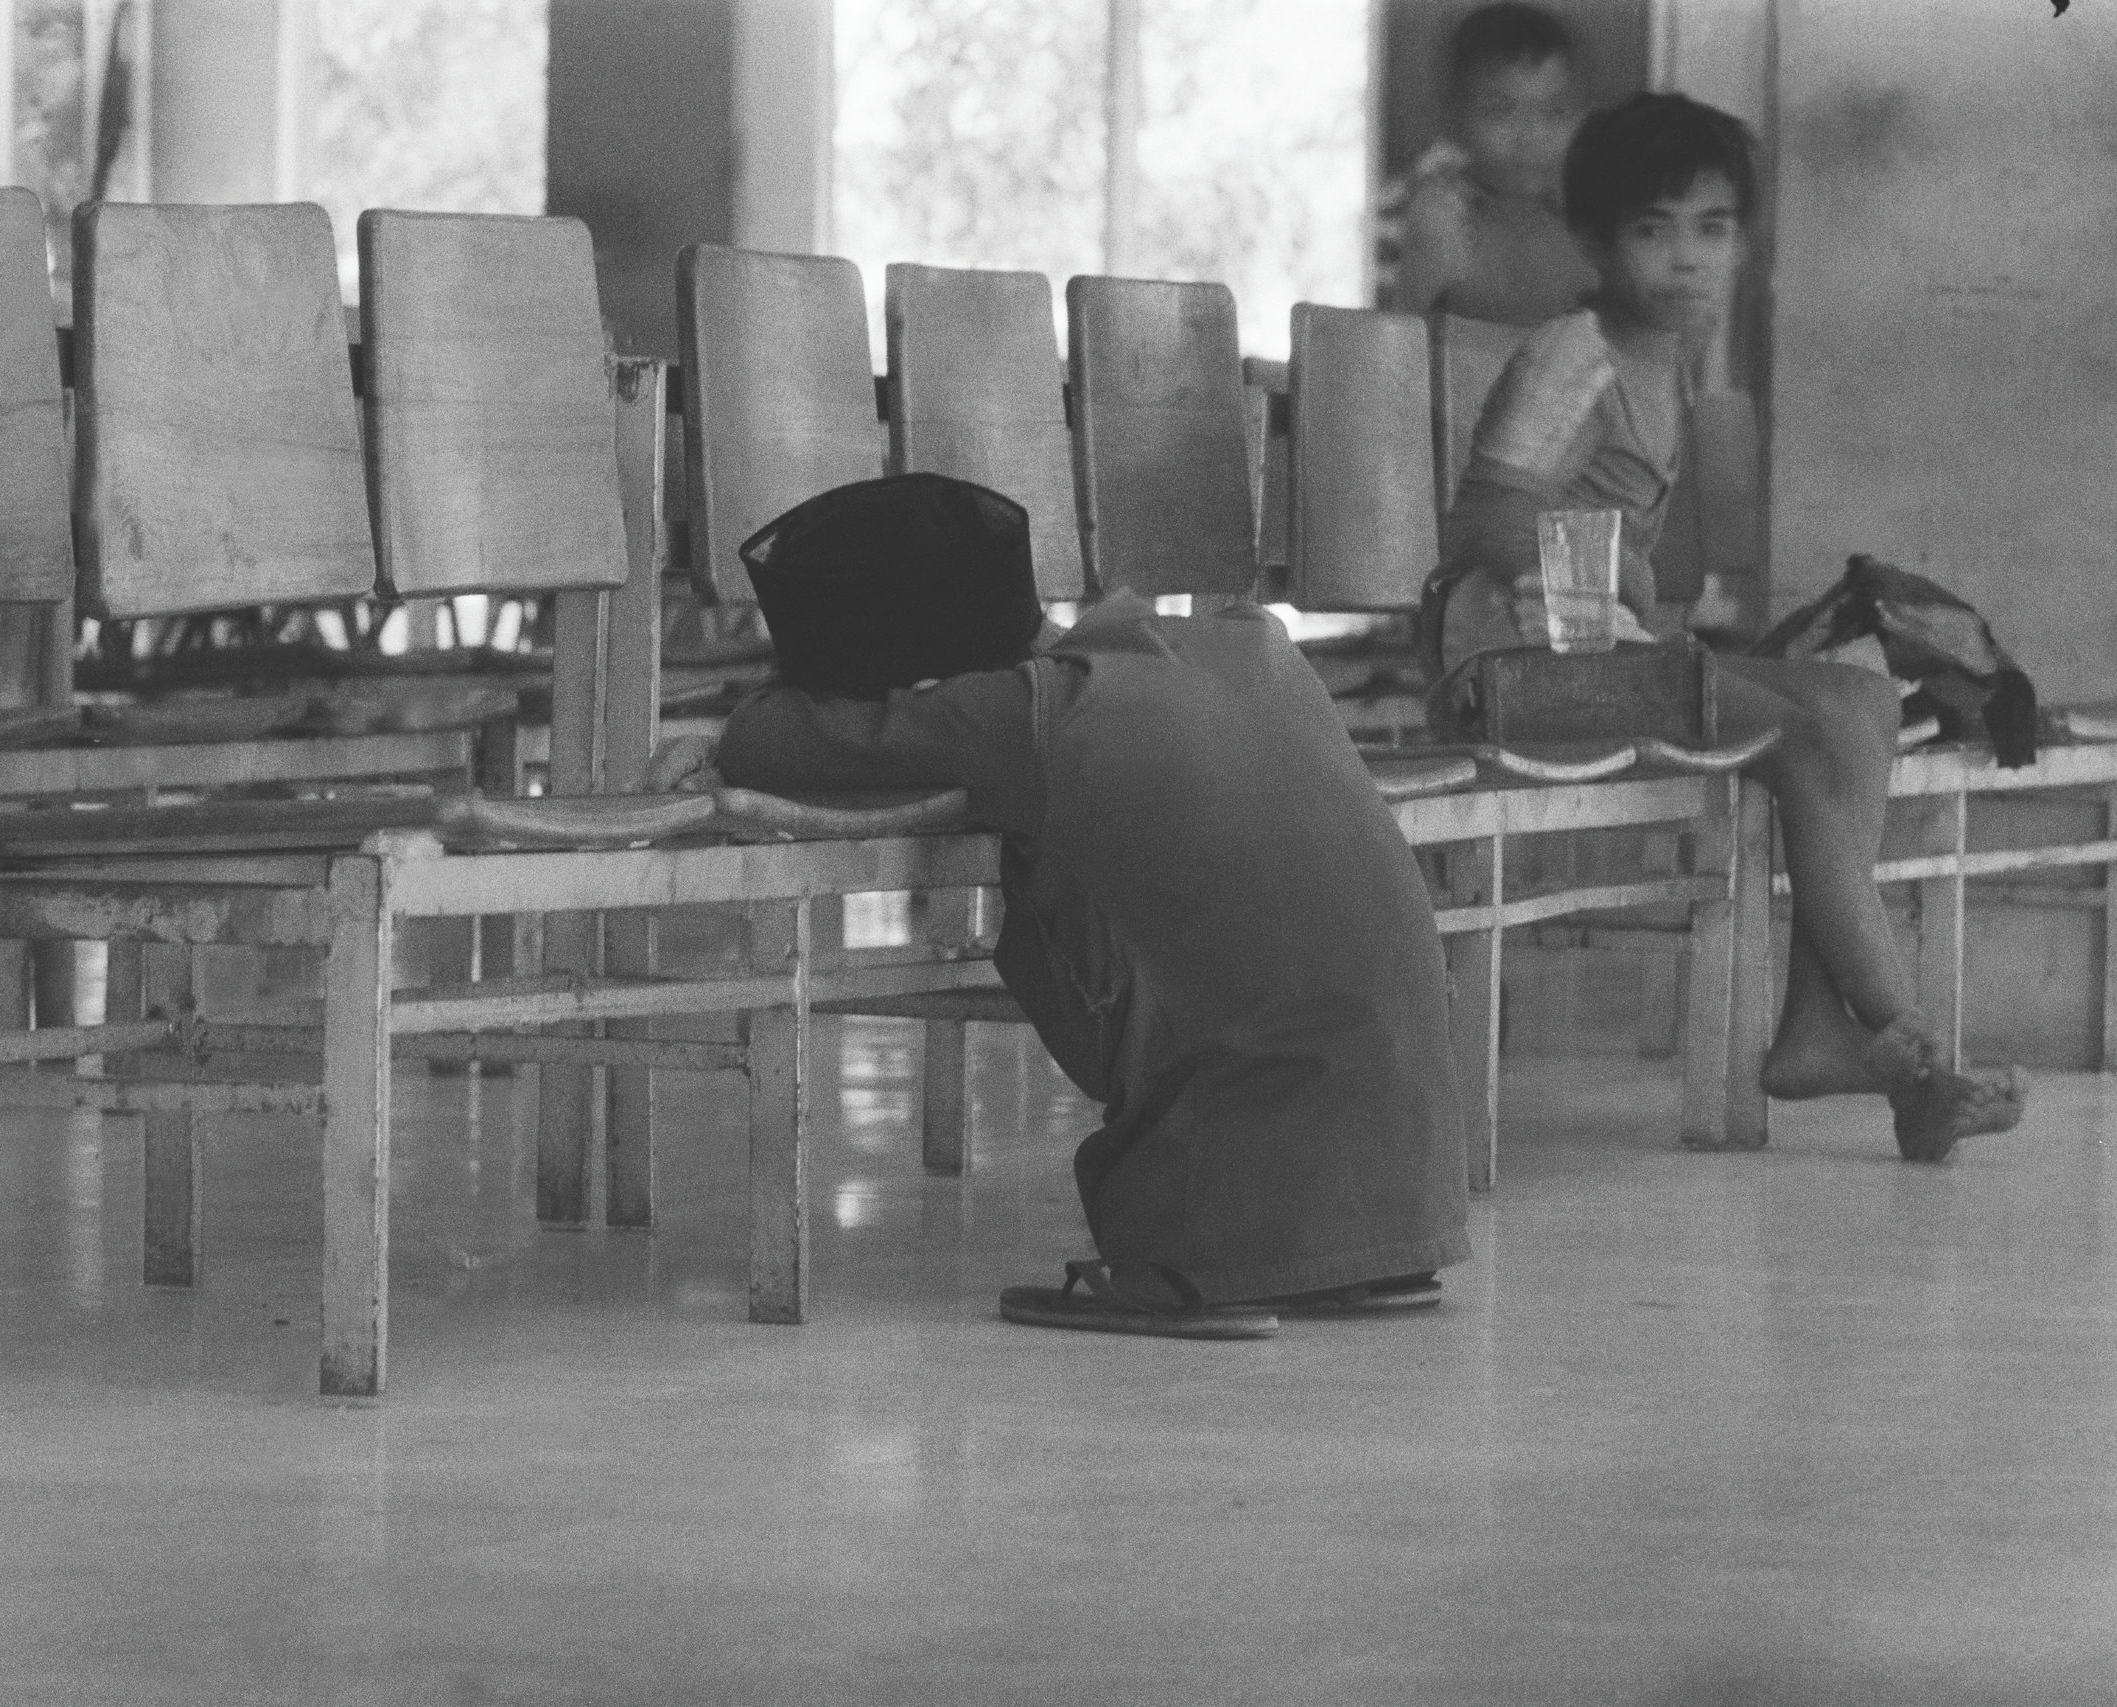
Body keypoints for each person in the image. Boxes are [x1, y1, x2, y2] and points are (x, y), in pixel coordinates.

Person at [709, 473, 1473, 1339]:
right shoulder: (1248, 645)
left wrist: (787, 705)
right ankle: (1353, 1252)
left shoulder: (1027, 717)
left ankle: (1217, 1253)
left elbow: (765, 742)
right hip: (1418, 1203)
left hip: (1232, 1236)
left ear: (926, 684)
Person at [1421, 92, 2028, 1163]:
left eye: (1711, 230)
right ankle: (1903, 1046)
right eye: (1652, 231)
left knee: (1861, 701)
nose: (1687, 258)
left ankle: (1812, 1037)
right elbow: (1485, 514)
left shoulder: (1677, 364)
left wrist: (1641, 593)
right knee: (1799, 736)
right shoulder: (1580, 356)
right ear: (1597, 242)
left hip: (1613, 657)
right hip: (1517, 664)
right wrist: (1594, 581)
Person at [1378, 2, 1596, 325]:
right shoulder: (1436, 213)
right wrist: (1420, 277)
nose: (1531, 136)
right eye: (1501, 110)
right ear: (1455, 117)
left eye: (1555, 113)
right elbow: (1390, 349)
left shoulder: (1591, 210)